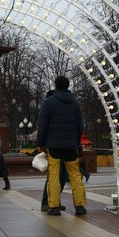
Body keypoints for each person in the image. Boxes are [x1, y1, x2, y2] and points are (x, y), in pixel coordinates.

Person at [37, 76, 87, 216]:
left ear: (56, 86)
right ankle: (80, 206)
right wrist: (76, 142)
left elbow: (43, 124)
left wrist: (41, 143)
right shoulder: (75, 103)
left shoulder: (49, 102)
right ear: (67, 85)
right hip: (71, 145)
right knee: (75, 175)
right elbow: (80, 126)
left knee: (53, 175)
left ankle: (53, 207)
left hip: (53, 145)